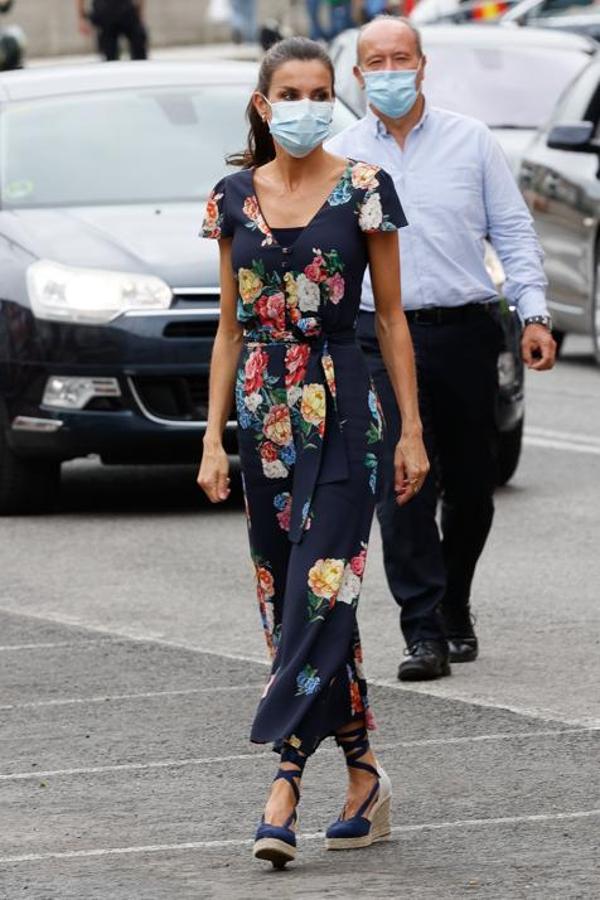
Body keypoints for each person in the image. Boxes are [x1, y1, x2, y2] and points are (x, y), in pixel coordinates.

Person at [197, 36, 428, 868]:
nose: (307, 105)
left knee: (320, 586)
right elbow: (227, 331)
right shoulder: (231, 197)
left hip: (344, 412)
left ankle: (284, 780)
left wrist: (411, 430)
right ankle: (363, 772)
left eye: (321, 91)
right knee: (286, 594)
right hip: (263, 414)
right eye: (290, 92)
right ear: (264, 104)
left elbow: (392, 318)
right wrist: (213, 440)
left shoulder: (366, 187)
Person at [326, 16, 556, 681]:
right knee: (400, 484)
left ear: (423, 65)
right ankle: (422, 629)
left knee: (473, 486)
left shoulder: (471, 141)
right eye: (377, 61)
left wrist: (534, 314)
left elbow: (512, 233)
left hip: (462, 329)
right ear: (359, 74)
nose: (391, 71)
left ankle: (455, 601)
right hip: (375, 337)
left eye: (403, 58)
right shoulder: (341, 154)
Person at [77, 0, 148, 61]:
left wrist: (140, 11)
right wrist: (82, 18)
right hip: (104, 14)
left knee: (139, 49)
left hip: (127, 11)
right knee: (110, 57)